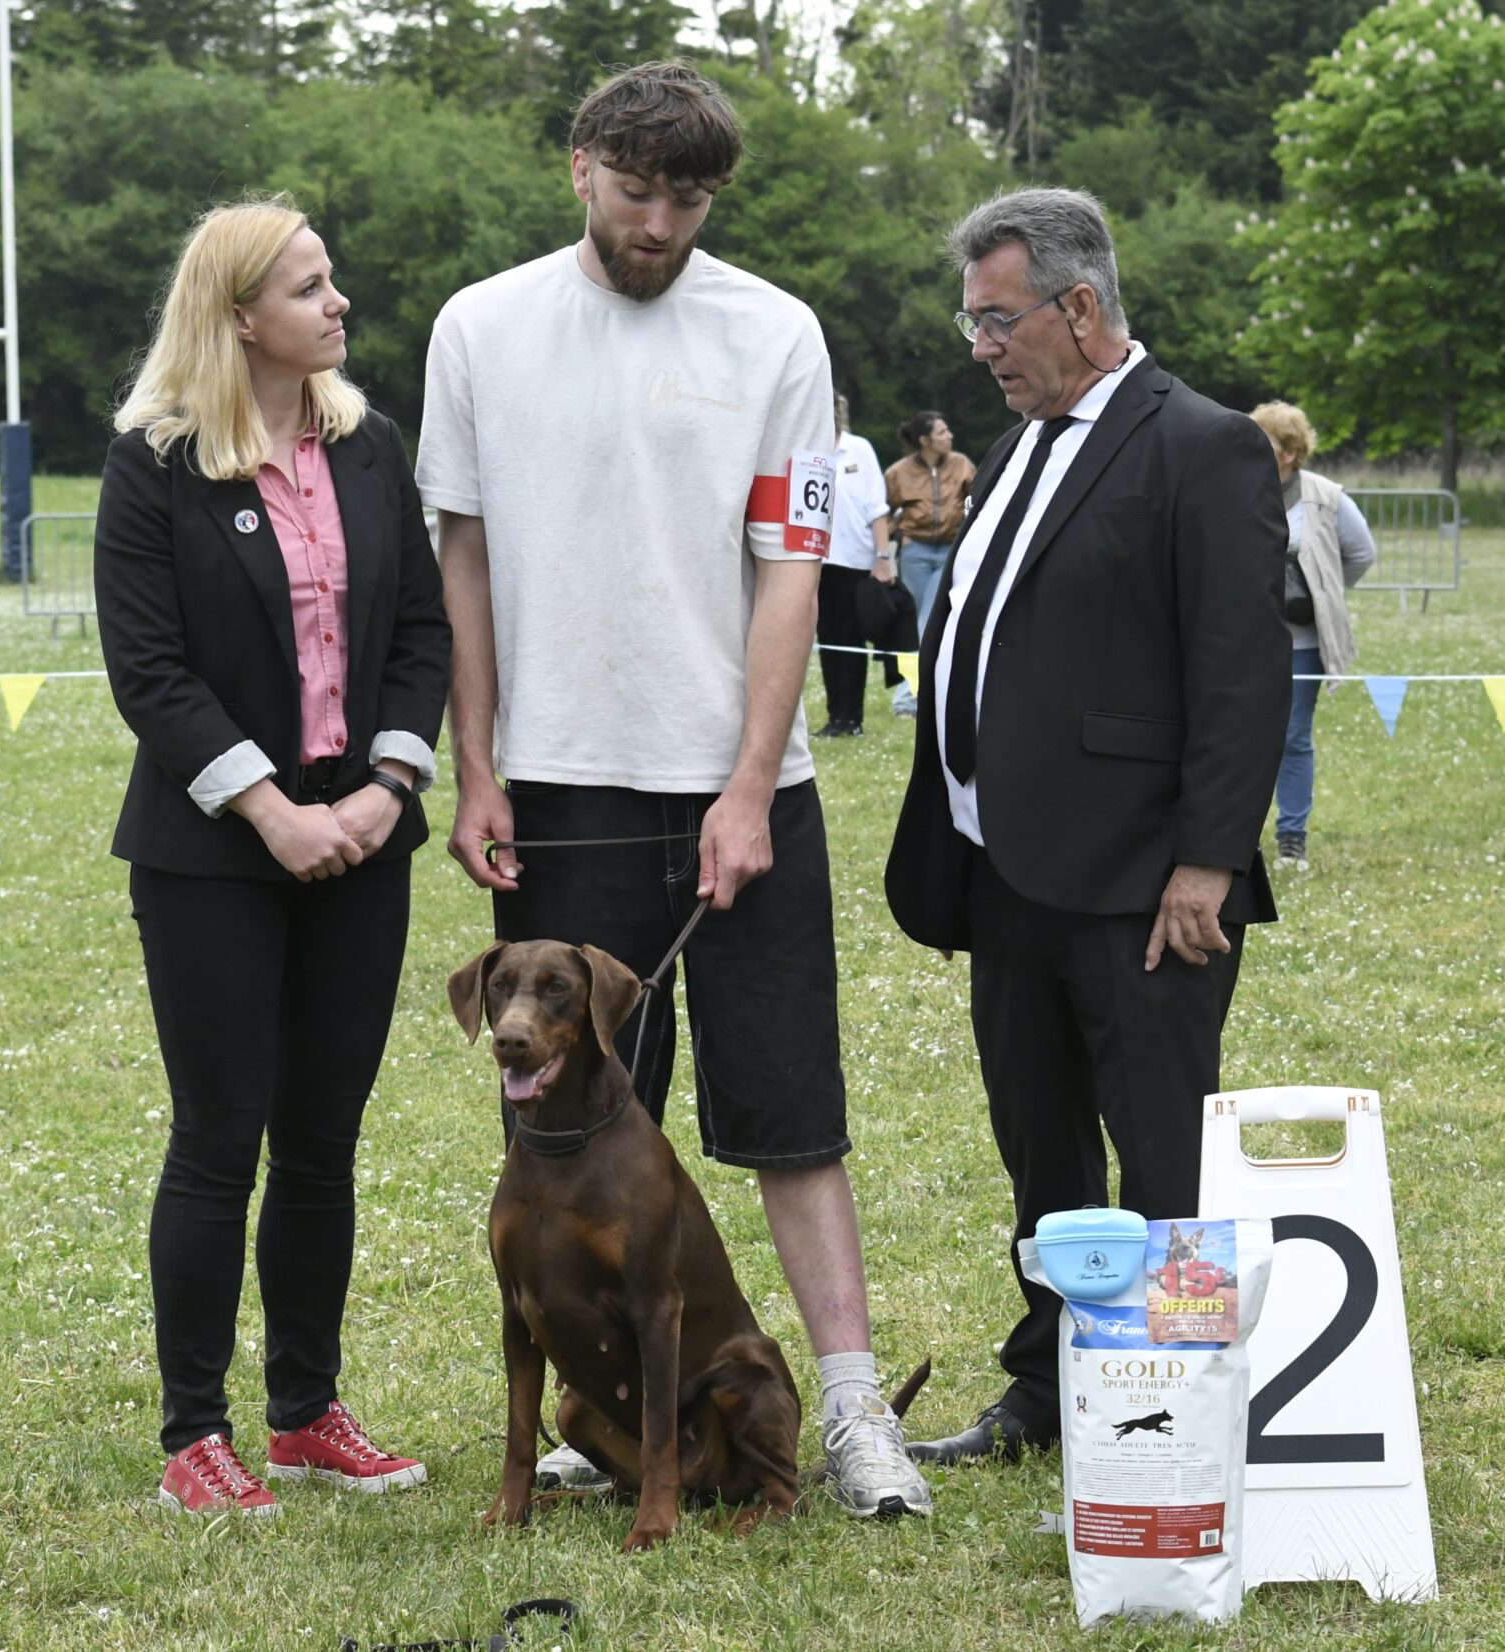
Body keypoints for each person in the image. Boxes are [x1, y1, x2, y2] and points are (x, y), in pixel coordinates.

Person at [419, 60, 934, 1519]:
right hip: (557, 793)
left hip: (741, 791)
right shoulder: (479, 326)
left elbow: (791, 569)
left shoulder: (777, 331)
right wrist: (476, 766)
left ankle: (851, 1413)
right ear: (579, 166)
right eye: (637, 191)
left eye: (689, 201)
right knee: (562, 1121)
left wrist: (751, 780)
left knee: (791, 1109)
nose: (659, 225)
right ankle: (605, 1418)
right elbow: (463, 561)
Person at [881, 188, 1288, 1466]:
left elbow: (1241, 673)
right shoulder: (1018, 444)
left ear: (1077, 304)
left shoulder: (1204, 443)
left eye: (997, 320)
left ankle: (1178, 1405)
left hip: (1142, 879)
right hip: (1002, 866)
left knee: (1163, 1156)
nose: (980, 348)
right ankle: (1050, 1382)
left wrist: (1206, 860)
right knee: (1039, 1145)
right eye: (970, 323)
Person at [95, 197, 451, 1517]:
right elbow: (149, 669)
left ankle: (305, 1413)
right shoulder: (155, 461)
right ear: (238, 314)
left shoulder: (370, 444)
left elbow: (420, 631)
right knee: (218, 1139)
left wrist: (388, 785)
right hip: (212, 854)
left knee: (320, 1142)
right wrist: (270, 809)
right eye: (308, 287)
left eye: (330, 279)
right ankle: (196, 1434)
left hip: (364, 835)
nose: (338, 301)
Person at [1247, 401, 1375, 871]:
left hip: (1302, 645)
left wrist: (1323, 593)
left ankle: (1291, 840)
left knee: (1293, 737)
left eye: (1265, 440)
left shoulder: (1325, 496)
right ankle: (1236, 836)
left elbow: (1361, 553)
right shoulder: (1235, 488)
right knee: (1239, 736)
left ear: (1290, 452)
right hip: (1245, 641)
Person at [814, 391, 901, 736]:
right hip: (817, 560)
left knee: (850, 642)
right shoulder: (807, 449)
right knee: (827, 640)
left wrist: (883, 559)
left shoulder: (859, 449)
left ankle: (852, 719)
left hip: (855, 561)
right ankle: (835, 716)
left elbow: (877, 508)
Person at [883, 408, 975, 646]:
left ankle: (925, 663)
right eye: (942, 432)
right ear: (925, 441)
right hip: (914, 553)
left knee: (933, 610)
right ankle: (919, 664)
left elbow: (976, 502)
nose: (950, 436)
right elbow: (882, 511)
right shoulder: (898, 472)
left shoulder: (962, 464)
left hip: (950, 550)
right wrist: (898, 534)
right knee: (918, 611)